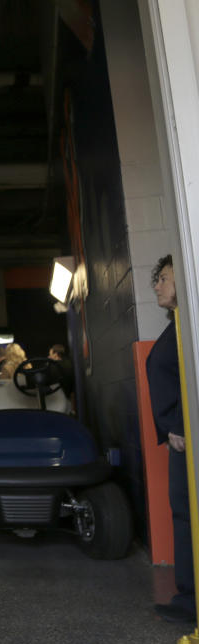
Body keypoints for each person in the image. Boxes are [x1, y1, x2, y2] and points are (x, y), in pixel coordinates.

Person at [147, 255, 194, 624]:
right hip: (179, 434)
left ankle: (191, 596)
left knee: (187, 509)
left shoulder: (189, 324)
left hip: (185, 433)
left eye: (164, 277)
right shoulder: (178, 324)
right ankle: (189, 594)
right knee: (182, 510)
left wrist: (178, 423)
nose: (157, 285)